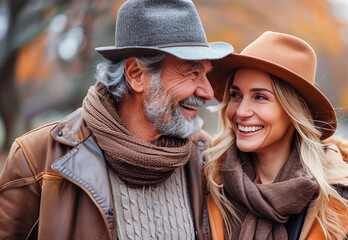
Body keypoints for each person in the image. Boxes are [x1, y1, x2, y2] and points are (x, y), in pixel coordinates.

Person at [0, 0, 233, 239]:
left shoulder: (206, 158)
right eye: (193, 72)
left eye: (206, 74)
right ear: (136, 75)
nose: (207, 92)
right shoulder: (38, 158)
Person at [203, 31, 348, 240]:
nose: (241, 111)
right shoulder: (209, 181)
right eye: (236, 95)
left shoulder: (345, 199)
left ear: (293, 111)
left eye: (260, 97)